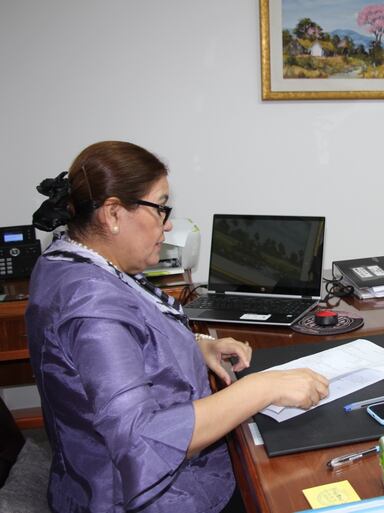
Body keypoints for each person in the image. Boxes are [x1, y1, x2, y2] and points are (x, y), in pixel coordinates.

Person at [26, 141, 330, 513]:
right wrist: (260, 389)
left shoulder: (70, 260)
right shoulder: (90, 302)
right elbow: (140, 439)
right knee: (294, 488)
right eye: (160, 207)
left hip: (91, 478)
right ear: (113, 213)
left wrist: (196, 345)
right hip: (139, 497)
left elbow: (129, 335)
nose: (167, 223)